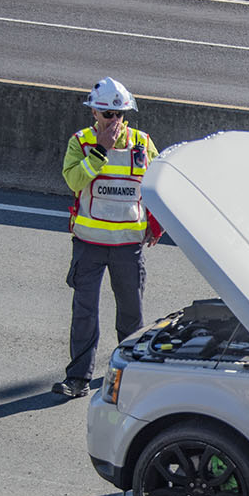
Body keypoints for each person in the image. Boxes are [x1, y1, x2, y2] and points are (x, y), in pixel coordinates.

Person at [52, 77, 162, 399]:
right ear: (94, 114)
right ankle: (78, 379)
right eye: (106, 114)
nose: (112, 121)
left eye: (118, 115)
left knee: (130, 315)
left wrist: (155, 225)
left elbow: (156, 186)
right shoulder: (82, 143)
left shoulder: (142, 144)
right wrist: (101, 151)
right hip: (89, 244)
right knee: (84, 313)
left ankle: (131, 376)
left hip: (127, 247)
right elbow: (73, 179)